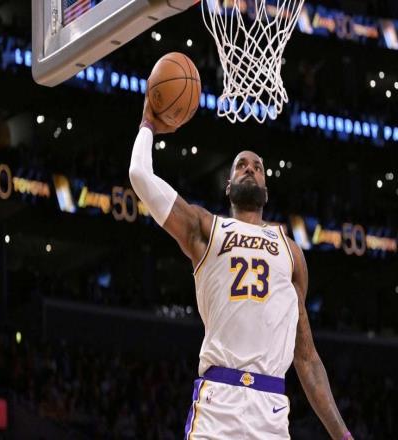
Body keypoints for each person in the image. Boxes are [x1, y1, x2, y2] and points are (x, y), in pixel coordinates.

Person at [129, 95, 352, 440]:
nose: (250, 168)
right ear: (229, 186)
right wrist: (147, 124)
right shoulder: (206, 228)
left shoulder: (291, 252)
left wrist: (343, 435)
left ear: (266, 190)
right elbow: (140, 175)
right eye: (241, 165)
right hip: (218, 402)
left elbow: (307, 359)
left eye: (258, 167)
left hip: (271, 409)